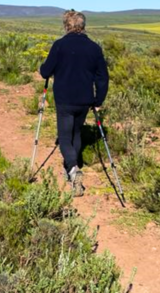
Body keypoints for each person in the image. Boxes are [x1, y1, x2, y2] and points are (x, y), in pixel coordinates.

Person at [40, 10, 109, 196]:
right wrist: (98, 100)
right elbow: (102, 77)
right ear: (83, 25)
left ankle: (73, 169)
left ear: (66, 25)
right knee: (76, 132)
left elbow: (46, 72)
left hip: (64, 99)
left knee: (64, 137)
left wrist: (42, 68)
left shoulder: (59, 45)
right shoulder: (94, 48)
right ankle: (73, 166)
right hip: (85, 99)